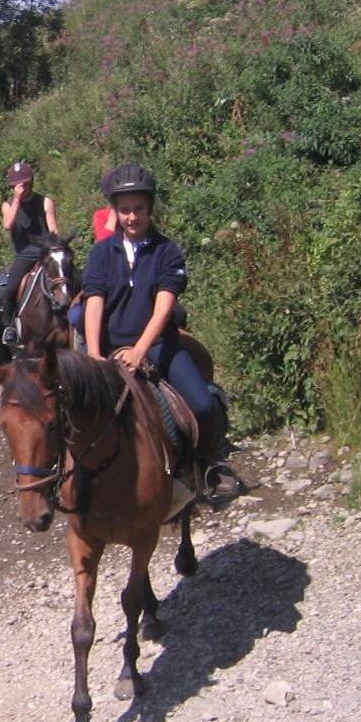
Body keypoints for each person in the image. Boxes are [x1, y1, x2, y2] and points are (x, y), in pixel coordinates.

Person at [81, 163, 237, 498]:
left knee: (202, 404)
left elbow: (164, 307)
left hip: (157, 346)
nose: (132, 217)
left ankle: (209, 462)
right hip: (108, 348)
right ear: (115, 211)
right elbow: (94, 302)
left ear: (149, 207)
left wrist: (139, 350)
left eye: (138, 209)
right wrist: (93, 354)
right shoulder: (100, 253)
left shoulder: (168, 251)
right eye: (124, 210)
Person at [0, 160, 60, 345]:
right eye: (18, 184)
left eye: (25, 182)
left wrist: (57, 247)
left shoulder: (45, 202)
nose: (22, 186)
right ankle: (9, 326)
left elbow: (53, 229)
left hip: (46, 252)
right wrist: (17, 200)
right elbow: (8, 225)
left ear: (31, 182)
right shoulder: (8, 205)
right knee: (10, 288)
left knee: (69, 278)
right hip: (24, 254)